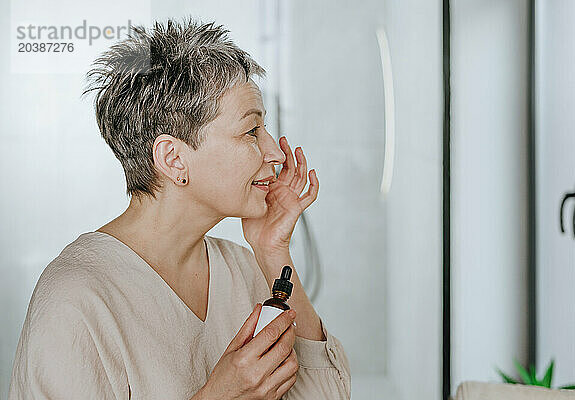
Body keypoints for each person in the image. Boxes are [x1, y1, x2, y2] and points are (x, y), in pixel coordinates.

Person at [8, 18, 351, 400]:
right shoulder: (76, 299)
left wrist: (273, 252)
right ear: (173, 159)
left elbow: (327, 394)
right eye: (251, 131)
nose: (274, 153)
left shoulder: (246, 269)